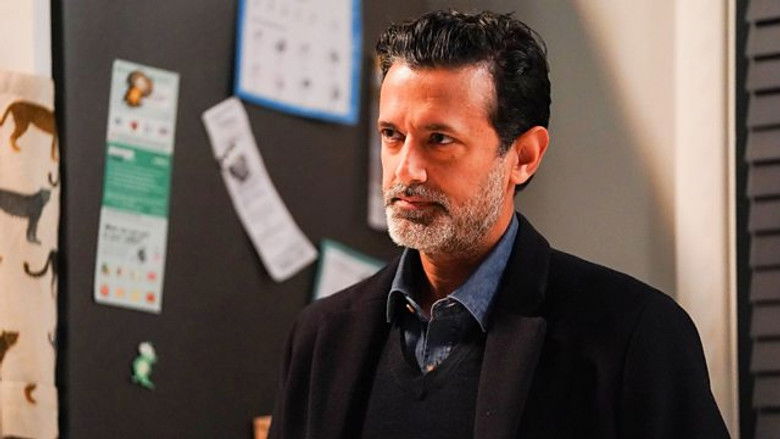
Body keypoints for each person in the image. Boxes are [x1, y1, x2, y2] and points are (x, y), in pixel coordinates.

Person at [269, 10, 729, 439]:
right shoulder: (322, 337)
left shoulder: (634, 335)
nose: (406, 170)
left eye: (439, 139)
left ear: (524, 156)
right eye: (392, 135)